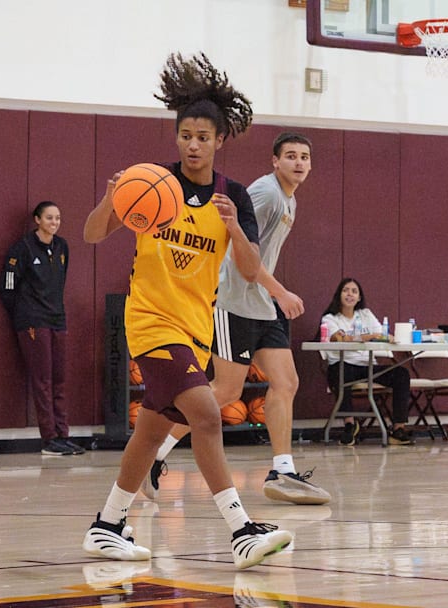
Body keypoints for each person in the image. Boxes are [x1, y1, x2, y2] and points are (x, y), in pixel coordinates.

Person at [81, 52, 293, 570]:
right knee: (205, 413)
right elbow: (90, 233)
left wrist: (237, 228)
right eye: (185, 135)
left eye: (203, 136)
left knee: (151, 430)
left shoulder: (233, 195)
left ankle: (107, 526)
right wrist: (111, 201)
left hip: (196, 328)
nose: (193, 144)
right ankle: (241, 530)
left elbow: (247, 270)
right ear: (176, 137)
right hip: (151, 322)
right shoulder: (151, 183)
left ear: (220, 141)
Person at [141, 132, 330, 506]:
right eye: (290, 156)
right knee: (225, 391)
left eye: (304, 157)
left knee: (286, 382)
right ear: (274, 161)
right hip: (232, 302)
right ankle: (153, 453)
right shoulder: (265, 194)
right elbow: (240, 253)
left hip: (261, 304)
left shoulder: (288, 199)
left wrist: (272, 294)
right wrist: (281, 292)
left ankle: (282, 470)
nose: (298, 162)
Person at [0, 200, 82, 456]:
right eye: (49, 218)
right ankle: (49, 439)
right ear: (37, 220)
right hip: (33, 321)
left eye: (57, 218)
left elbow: (60, 280)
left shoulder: (62, 247)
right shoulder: (22, 249)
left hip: (57, 318)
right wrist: (25, 312)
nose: (54, 223)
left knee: (59, 379)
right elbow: (7, 287)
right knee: (43, 379)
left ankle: (62, 435)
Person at [318, 278, 413, 447]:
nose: (350, 294)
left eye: (354, 291)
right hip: (343, 364)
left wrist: (385, 337)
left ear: (359, 297)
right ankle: (350, 424)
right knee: (341, 373)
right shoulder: (330, 318)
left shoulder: (366, 314)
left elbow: (381, 334)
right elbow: (337, 338)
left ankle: (398, 429)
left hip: (366, 365)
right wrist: (368, 336)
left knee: (401, 374)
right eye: (346, 290)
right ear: (339, 295)